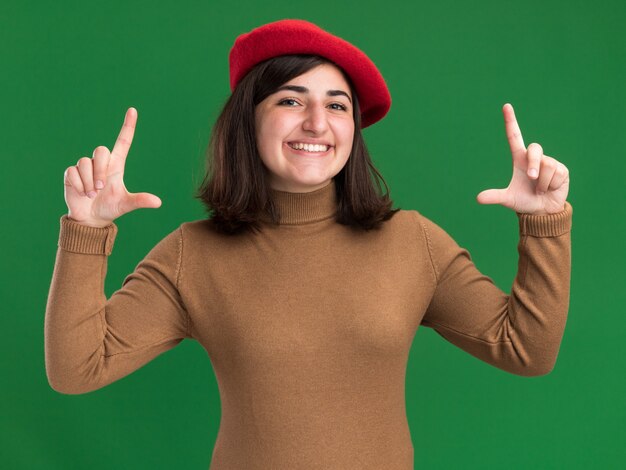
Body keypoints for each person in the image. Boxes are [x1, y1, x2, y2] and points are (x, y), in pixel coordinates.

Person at [45, 19, 573, 469]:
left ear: (353, 129)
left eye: (337, 106)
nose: (317, 123)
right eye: (290, 99)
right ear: (247, 119)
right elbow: (76, 369)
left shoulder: (413, 242)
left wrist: (545, 224)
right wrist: (86, 231)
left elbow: (526, 350)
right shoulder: (194, 254)